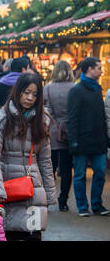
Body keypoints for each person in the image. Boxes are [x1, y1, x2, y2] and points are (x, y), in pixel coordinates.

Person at [0, 73, 57, 241]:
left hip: (33, 189)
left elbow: (45, 160)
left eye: (35, 94)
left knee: (33, 235)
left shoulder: (42, 121)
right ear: (17, 92)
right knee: (7, 234)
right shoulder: (1, 119)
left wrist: (49, 192)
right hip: (8, 188)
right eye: (26, 92)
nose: (30, 97)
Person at [68, 57, 109, 217]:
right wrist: (74, 142)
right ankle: (82, 206)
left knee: (100, 173)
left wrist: (106, 139)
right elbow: (72, 118)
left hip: (98, 141)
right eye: (98, 68)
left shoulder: (97, 89)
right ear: (89, 69)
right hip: (82, 141)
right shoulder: (76, 91)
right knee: (79, 175)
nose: (101, 71)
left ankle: (97, 205)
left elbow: (101, 117)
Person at [43, 60, 75, 212]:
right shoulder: (74, 88)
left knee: (50, 167)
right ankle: (63, 200)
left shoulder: (48, 88)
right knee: (67, 169)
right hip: (69, 131)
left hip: (52, 131)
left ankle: (48, 198)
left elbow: (45, 108)